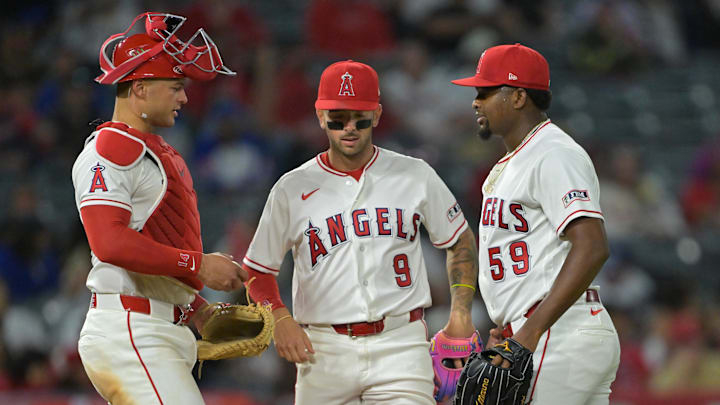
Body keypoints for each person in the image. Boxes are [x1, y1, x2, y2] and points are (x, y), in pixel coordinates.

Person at [241, 60, 479, 404]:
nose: (349, 128)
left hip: (400, 342)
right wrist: (279, 317)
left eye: (360, 118)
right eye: (338, 118)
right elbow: (258, 269)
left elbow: (460, 241)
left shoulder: (415, 174)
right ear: (320, 115)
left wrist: (459, 313)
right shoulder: (291, 188)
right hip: (322, 349)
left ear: (378, 115)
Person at [71, 12, 246, 404]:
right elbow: (109, 243)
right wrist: (199, 265)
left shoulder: (157, 151)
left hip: (160, 328)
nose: (184, 96)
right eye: (175, 86)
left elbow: (150, 243)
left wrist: (197, 309)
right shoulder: (109, 149)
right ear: (140, 88)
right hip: (131, 329)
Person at [451, 43, 621, 404]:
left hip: (557, 335)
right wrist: (510, 328)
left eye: (485, 91)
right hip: (546, 332)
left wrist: (527, 332)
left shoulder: (553, 153)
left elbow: (592, 245)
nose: (475, 101)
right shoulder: (512, 163)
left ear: (517, 97)